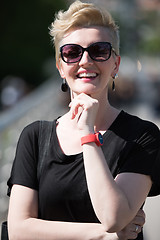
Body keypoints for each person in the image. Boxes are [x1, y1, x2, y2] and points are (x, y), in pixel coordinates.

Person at [7, 1, 160, 240]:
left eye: (99, 50)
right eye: (72, 52)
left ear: (115, 64)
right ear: (60, 66)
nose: (85, 61)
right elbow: (18, 230)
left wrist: (87, 132)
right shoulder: (35, 137)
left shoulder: (142, 136)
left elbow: (113, 217)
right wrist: (104, 235)